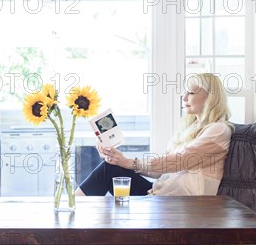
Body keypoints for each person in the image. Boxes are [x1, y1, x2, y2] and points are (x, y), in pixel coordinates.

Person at [76, 73, 233, 197]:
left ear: (210, 97)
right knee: (110, 167)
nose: (184, 97)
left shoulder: (219, 130)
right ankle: (74, 212)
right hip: (161, 194)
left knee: (109, 170)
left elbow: (180, 161)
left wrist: (129, 163)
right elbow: (160, 171)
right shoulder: (190, 129)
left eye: (191, 92)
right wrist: (119, 160)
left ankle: (72, 217)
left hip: (183, 204)